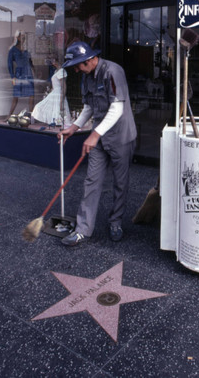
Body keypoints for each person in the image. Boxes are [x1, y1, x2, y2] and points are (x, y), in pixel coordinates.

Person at [58, 41, 137, 245]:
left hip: (121, 136)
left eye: (79, 64)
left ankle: (115, 222)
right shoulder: (86, 78)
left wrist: (94, 134)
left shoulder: (113, 71)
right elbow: (88, 108)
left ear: (92, 59)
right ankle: (83, 229)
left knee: (120, 184)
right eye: (74, 66)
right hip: (100, 138)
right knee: (91, 181)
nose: (77, 69)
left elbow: (117, 108)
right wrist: (74, 127)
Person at [32, 54, 72, 127]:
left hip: (58, 94)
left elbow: (63, 87)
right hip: (54, 93)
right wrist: (49, 92)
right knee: (39, 107)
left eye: (51, 61)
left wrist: (61, 101)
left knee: (59, 111)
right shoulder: (56, 71)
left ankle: (60, 125)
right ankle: (56, 124)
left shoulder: (61, 71)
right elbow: (54, 85)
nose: (50, 63)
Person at [7, 30, 35, 117]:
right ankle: (9, 115)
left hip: (28, 73)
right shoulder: (13, 50)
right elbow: (9, 64)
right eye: (22, 36)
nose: (23, 38)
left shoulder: (27, 50)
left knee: (31, 94)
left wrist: (35, 71)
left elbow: (30, 62)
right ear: (17, 37)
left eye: (24, 36)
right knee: (16, 95)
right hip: (19, 74)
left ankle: (31, 116)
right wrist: (12, 76)